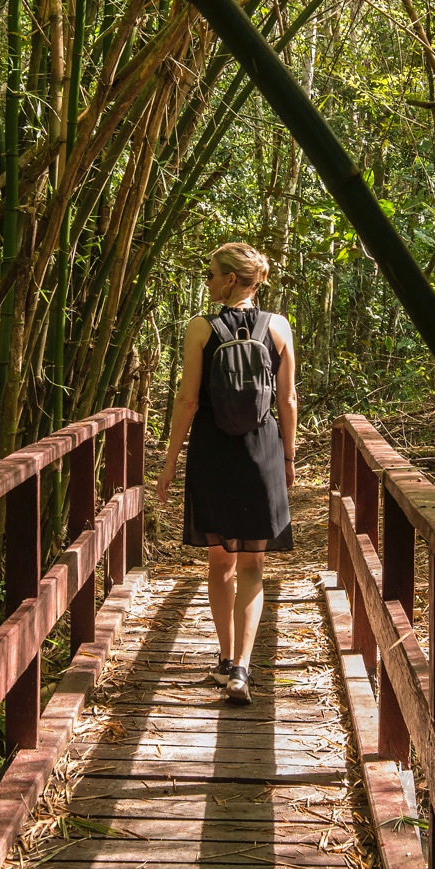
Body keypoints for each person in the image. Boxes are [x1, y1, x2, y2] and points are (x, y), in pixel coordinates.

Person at [156, 242, 297, 703]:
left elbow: (188, 400)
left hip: (213, 450)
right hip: (262, 450)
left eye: (212, 273)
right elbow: (287, 400)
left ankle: (224, 658)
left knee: (221, 562)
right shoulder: (278, 326)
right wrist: (289, 457)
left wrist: (171, 459)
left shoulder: (201, 327)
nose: (208, 280)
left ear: (232, 279)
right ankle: (242, 668)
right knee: (254, 564)